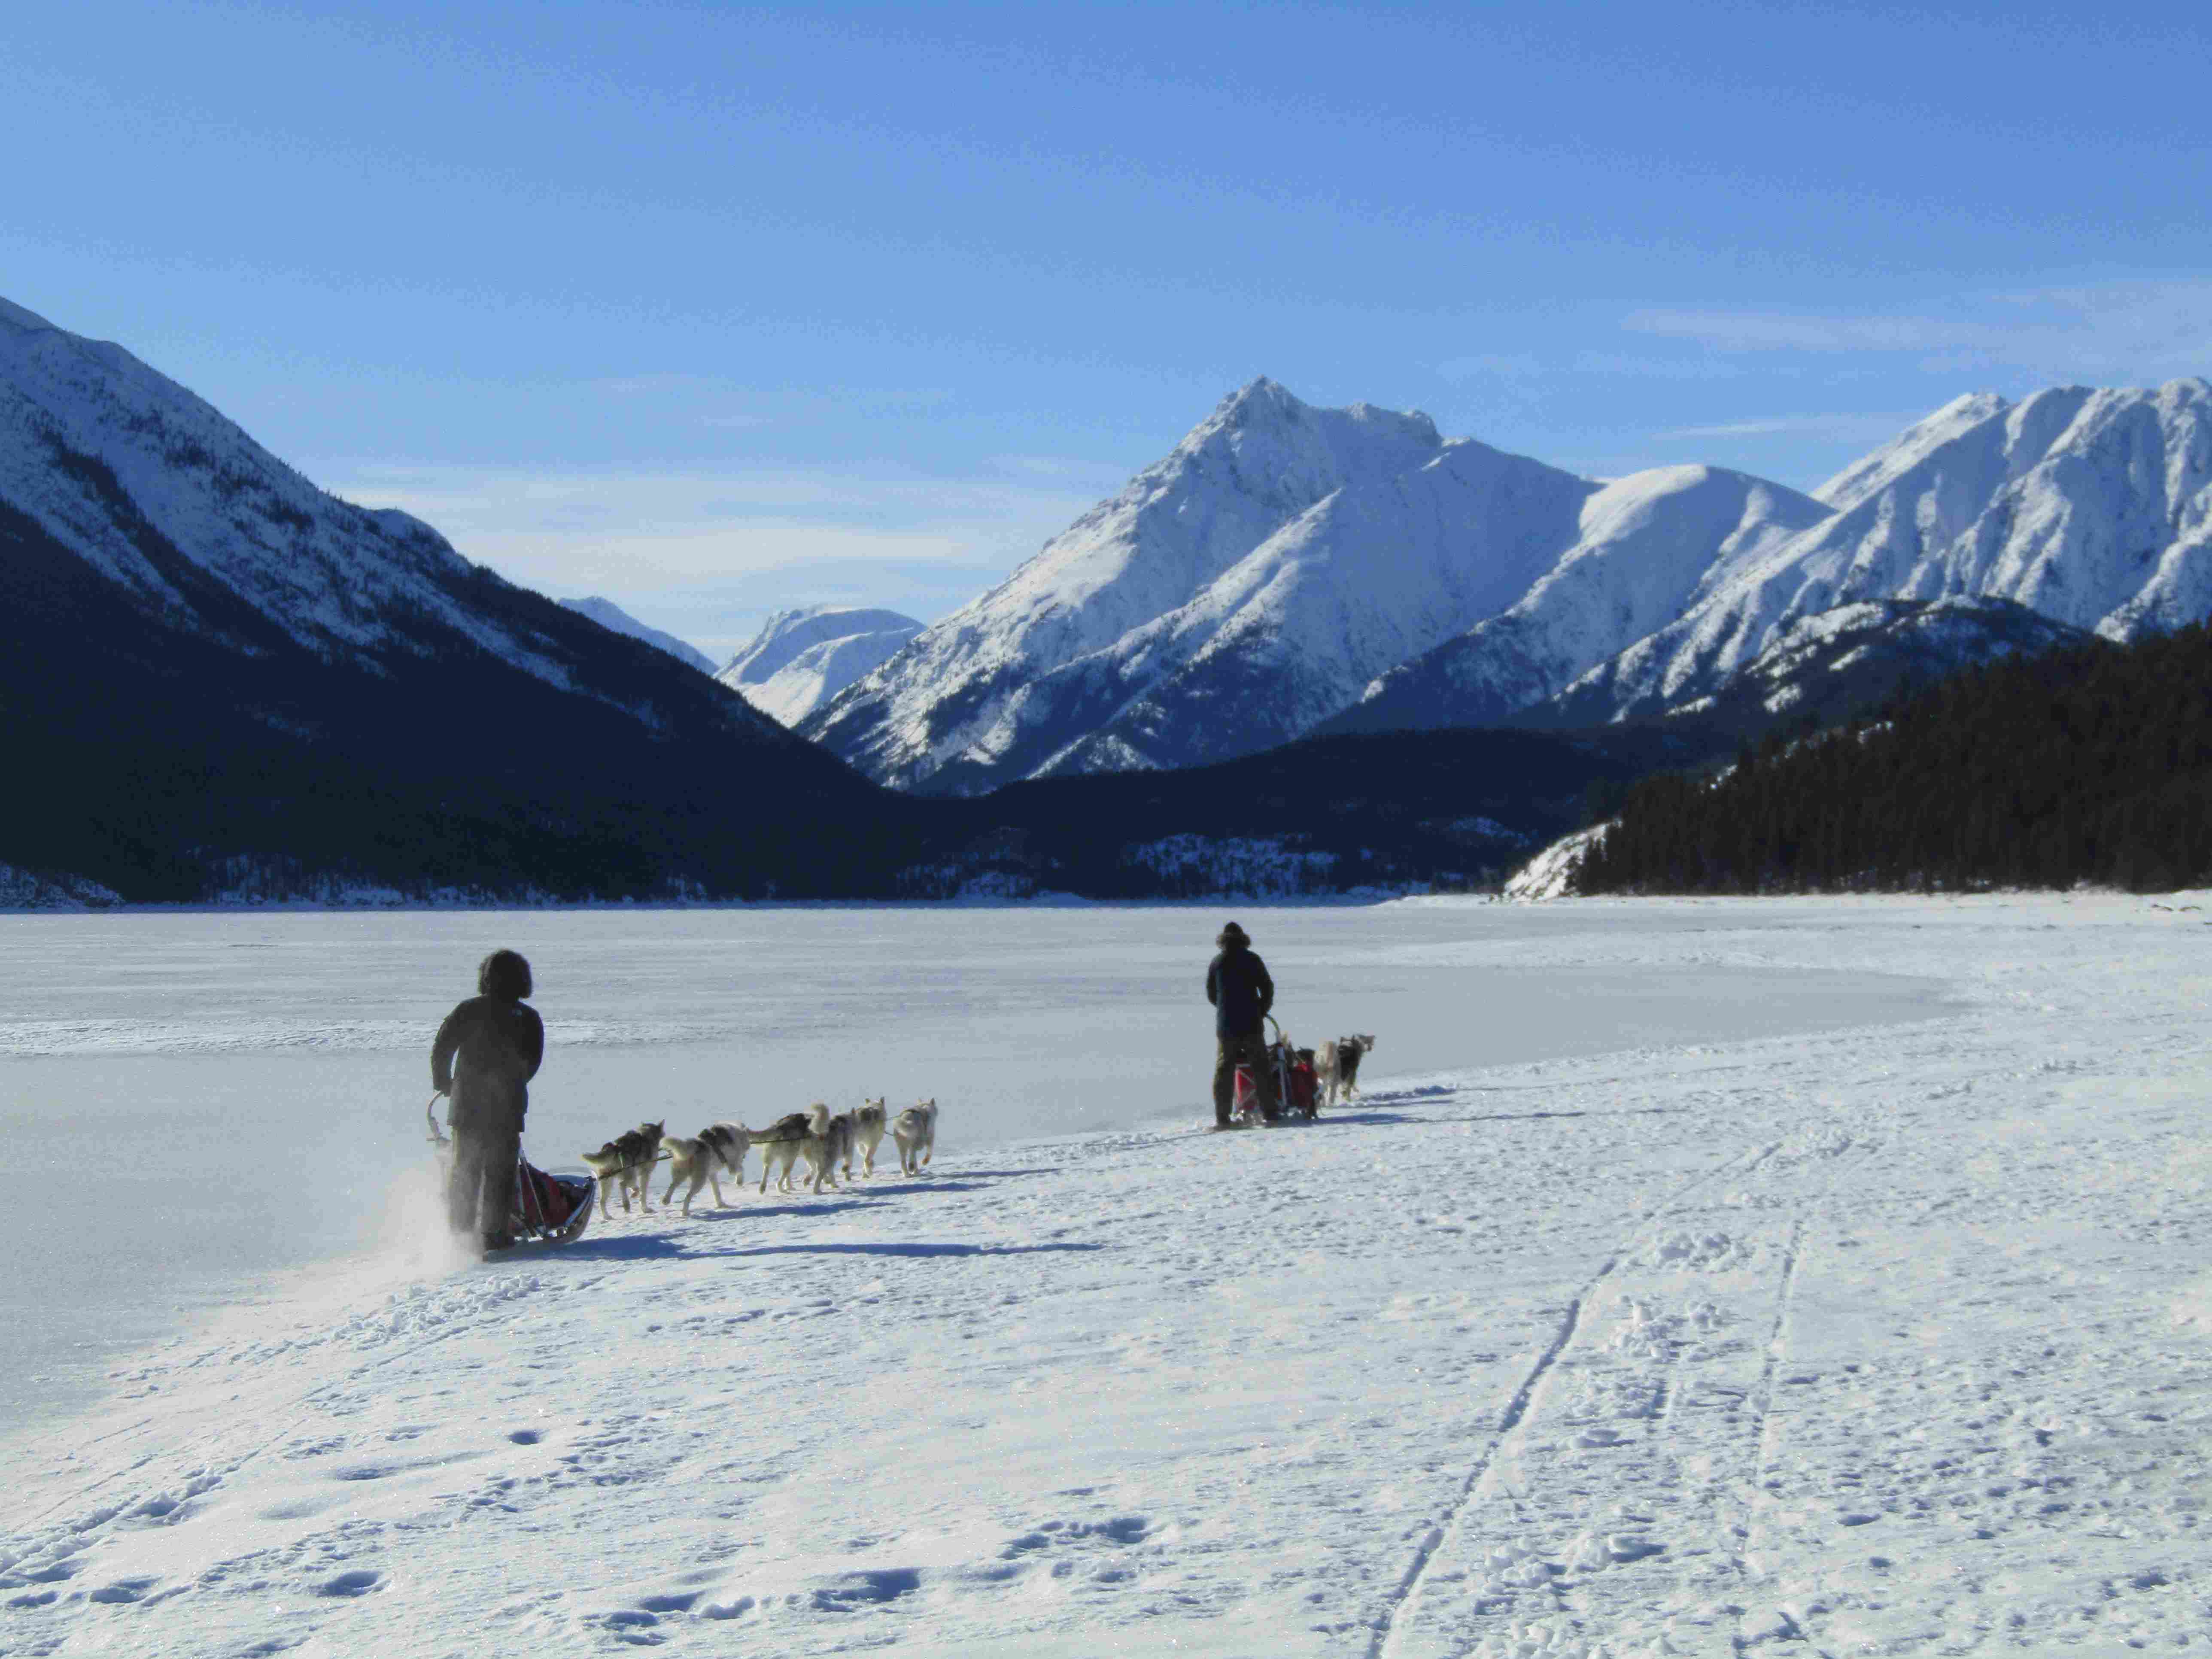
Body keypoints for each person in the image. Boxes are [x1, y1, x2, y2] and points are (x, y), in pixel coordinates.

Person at [431, 949, 545, 1250]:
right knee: (500, 1175)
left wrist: (446, 1084)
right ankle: (494, 1236)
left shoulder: (468, 1010)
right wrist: (511, 1085)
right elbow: (532, 1063)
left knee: (464, 1170)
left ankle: (461, 1236)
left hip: (466, 1106)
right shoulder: (529, 1018)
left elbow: (442, 1048)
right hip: (506, 1110)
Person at [1205, 920, 1276, 1128]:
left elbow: (1211, 995)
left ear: (1223, 941)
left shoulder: (1217, 962)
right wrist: (1261, 1010)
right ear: (1243, 939)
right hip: (1252, 1023)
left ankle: (1223, 1118)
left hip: (1226, 1026)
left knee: (1224, 1070)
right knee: (1261, 1067)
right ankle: (1271, 1114)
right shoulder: (1252, 959)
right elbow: (1267, 988)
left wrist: (1224, 1009)